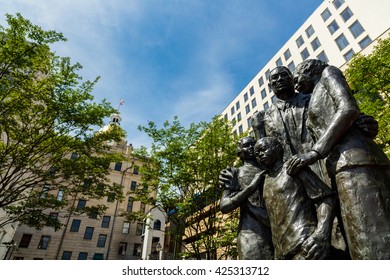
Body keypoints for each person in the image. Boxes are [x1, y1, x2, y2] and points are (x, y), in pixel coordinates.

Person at [286, 59, 390, 259]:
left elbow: (348, 109)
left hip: (354, 162)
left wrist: (316, 152)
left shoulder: (328, 73)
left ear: (309, 68)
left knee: (371, 239)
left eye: (297, 79)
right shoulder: (314, 93)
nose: (296, 86)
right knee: (358, 240)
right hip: (339, 168)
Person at [253, 136, 336, 259]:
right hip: (281, 254)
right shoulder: (265, 181)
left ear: (277, 148)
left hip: (305, 246)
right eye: (256, 154)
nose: (260, 155)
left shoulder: (293, 167)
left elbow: (326, 198)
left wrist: (322, 233)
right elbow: (270, 219)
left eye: (263, 149)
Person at [219, 136, 274, 260]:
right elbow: (224, 206)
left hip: (274, 230)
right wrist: (251, 187)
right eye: (246, 145)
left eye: (252, 144)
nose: (250, 148)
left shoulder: (270, 169)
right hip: (251, 235)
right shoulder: (235, 173)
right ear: (239, 152)